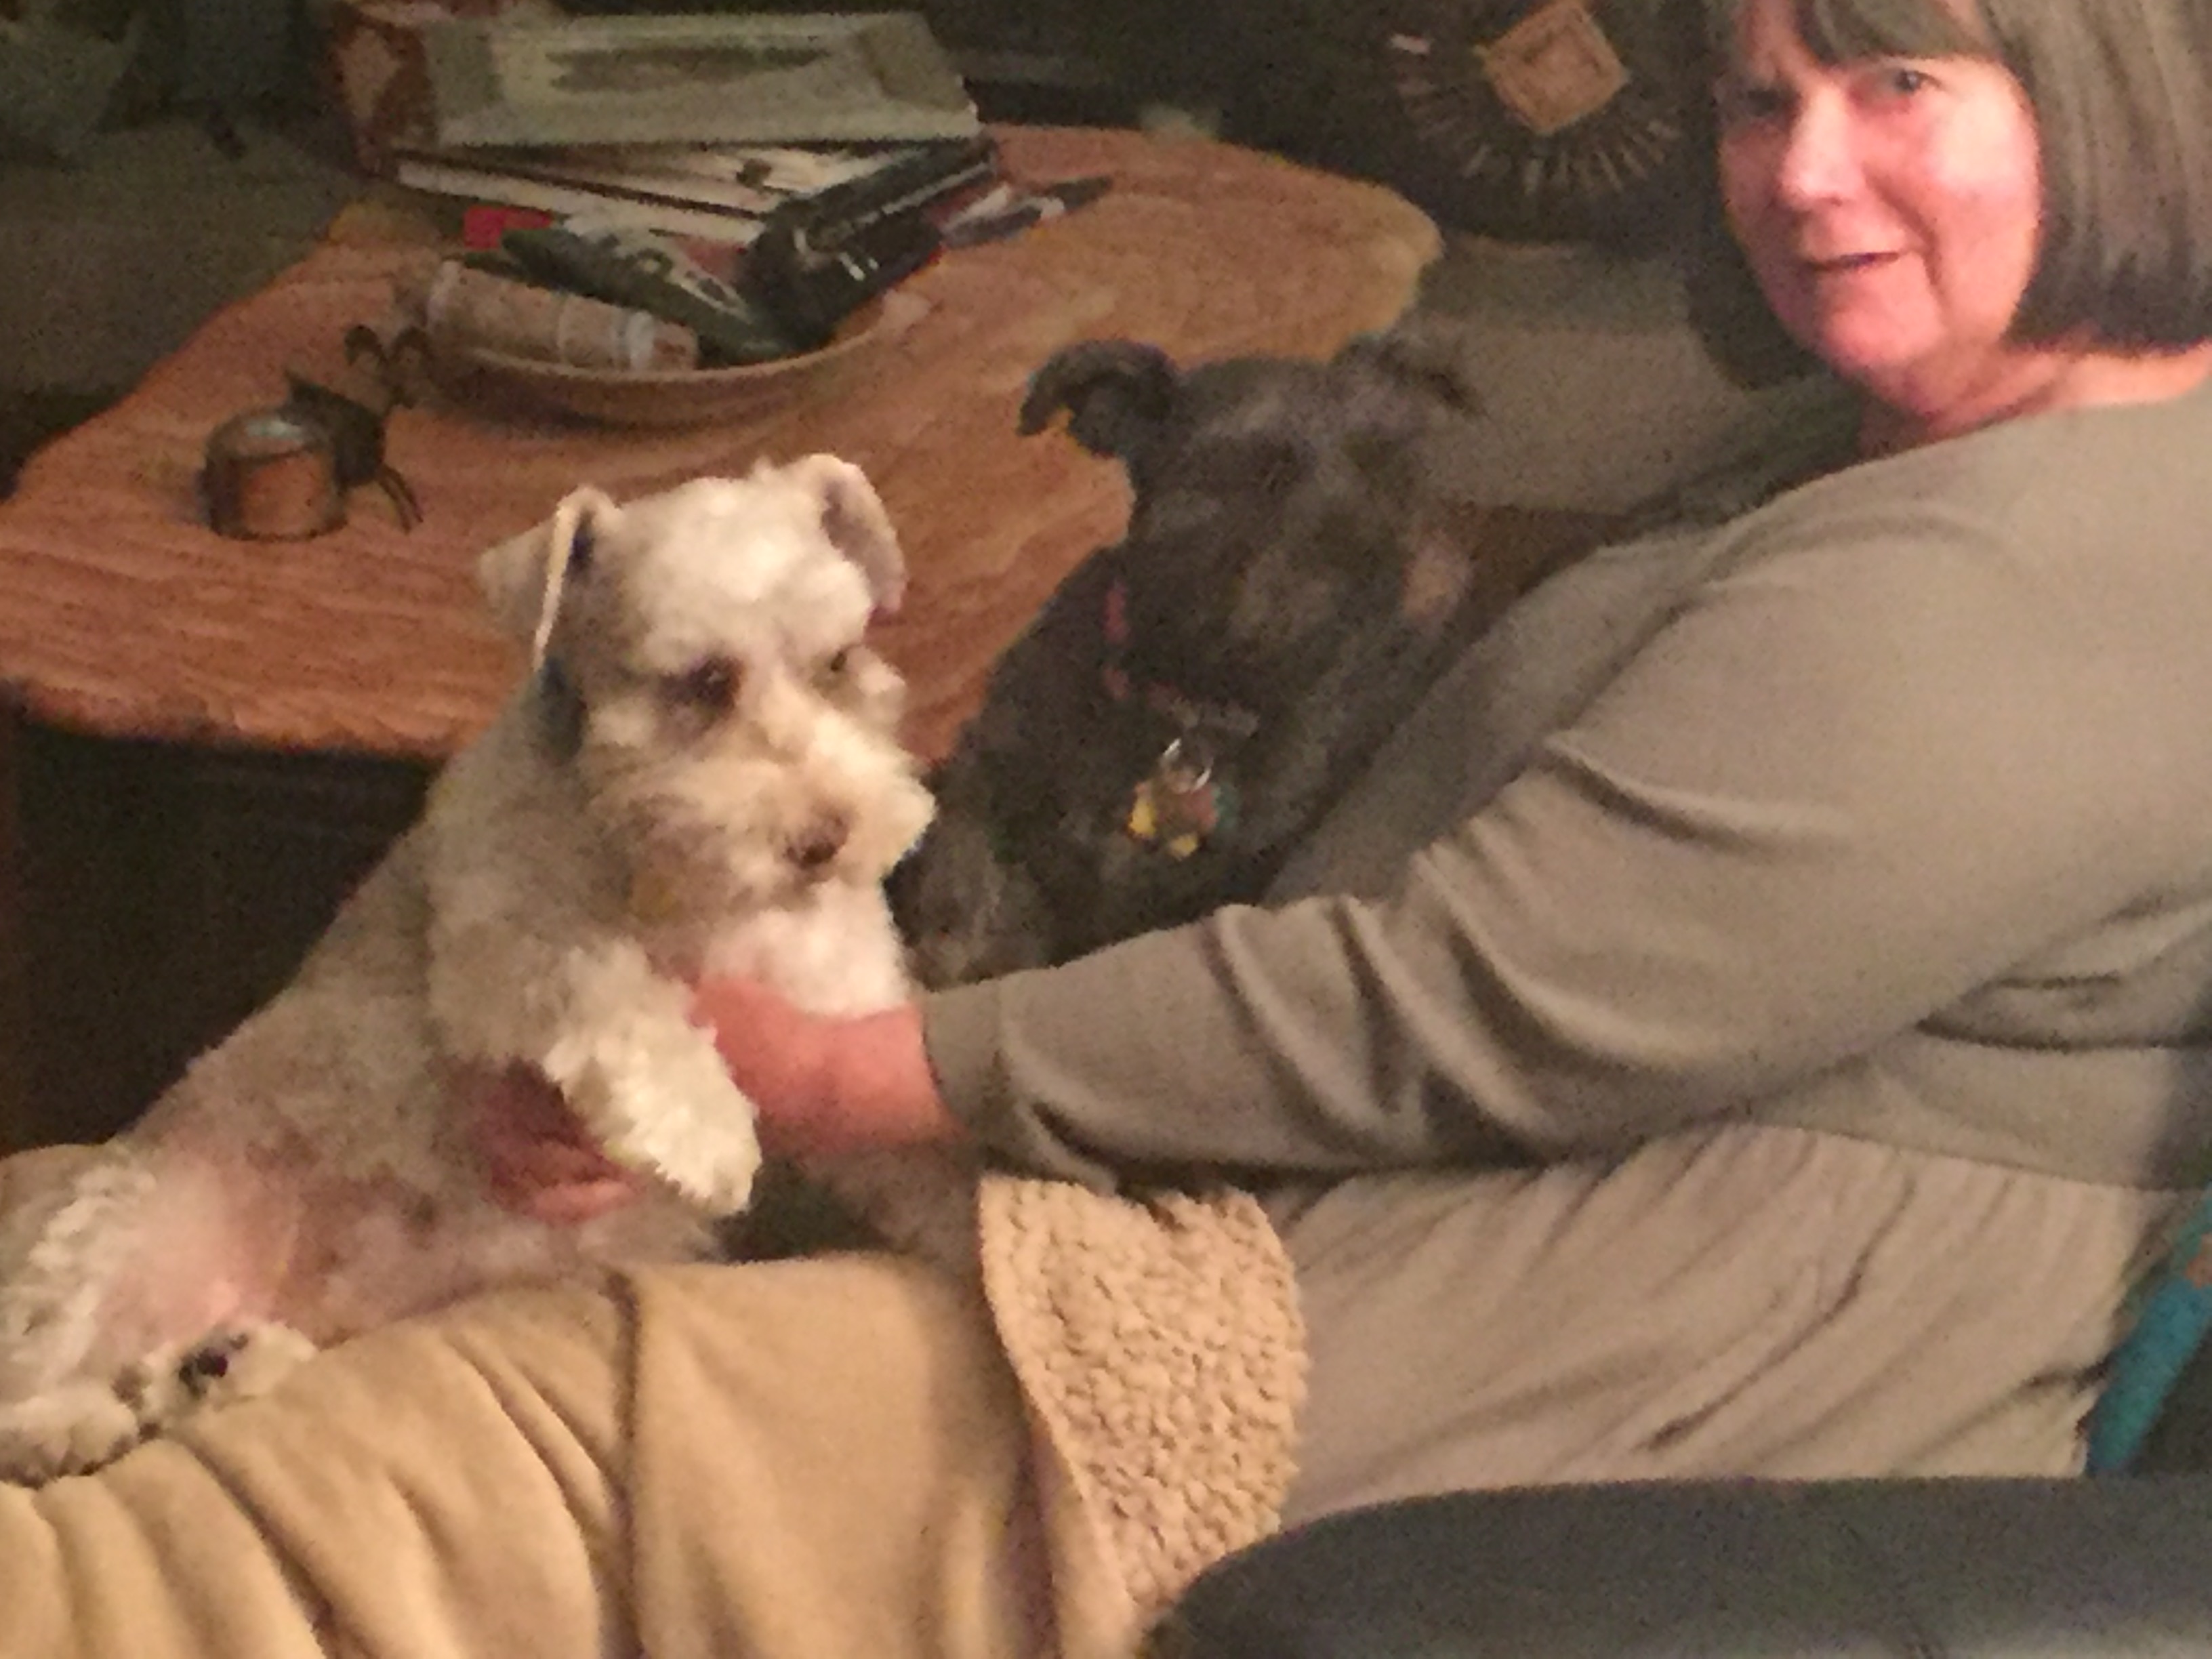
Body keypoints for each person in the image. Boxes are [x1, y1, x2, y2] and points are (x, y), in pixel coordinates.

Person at [8, 0, 2212, 1652]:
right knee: (99, 1223)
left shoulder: (2043, 572)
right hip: (1316, 1204)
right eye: (1756, 98)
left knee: (398, 1466)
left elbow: (1459, 1008)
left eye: (1897, 82)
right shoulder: (1908, 448)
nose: (1805, 173)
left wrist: (812, 1073)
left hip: (1520, 1365)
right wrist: (652, 1056)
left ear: (2103, 86)